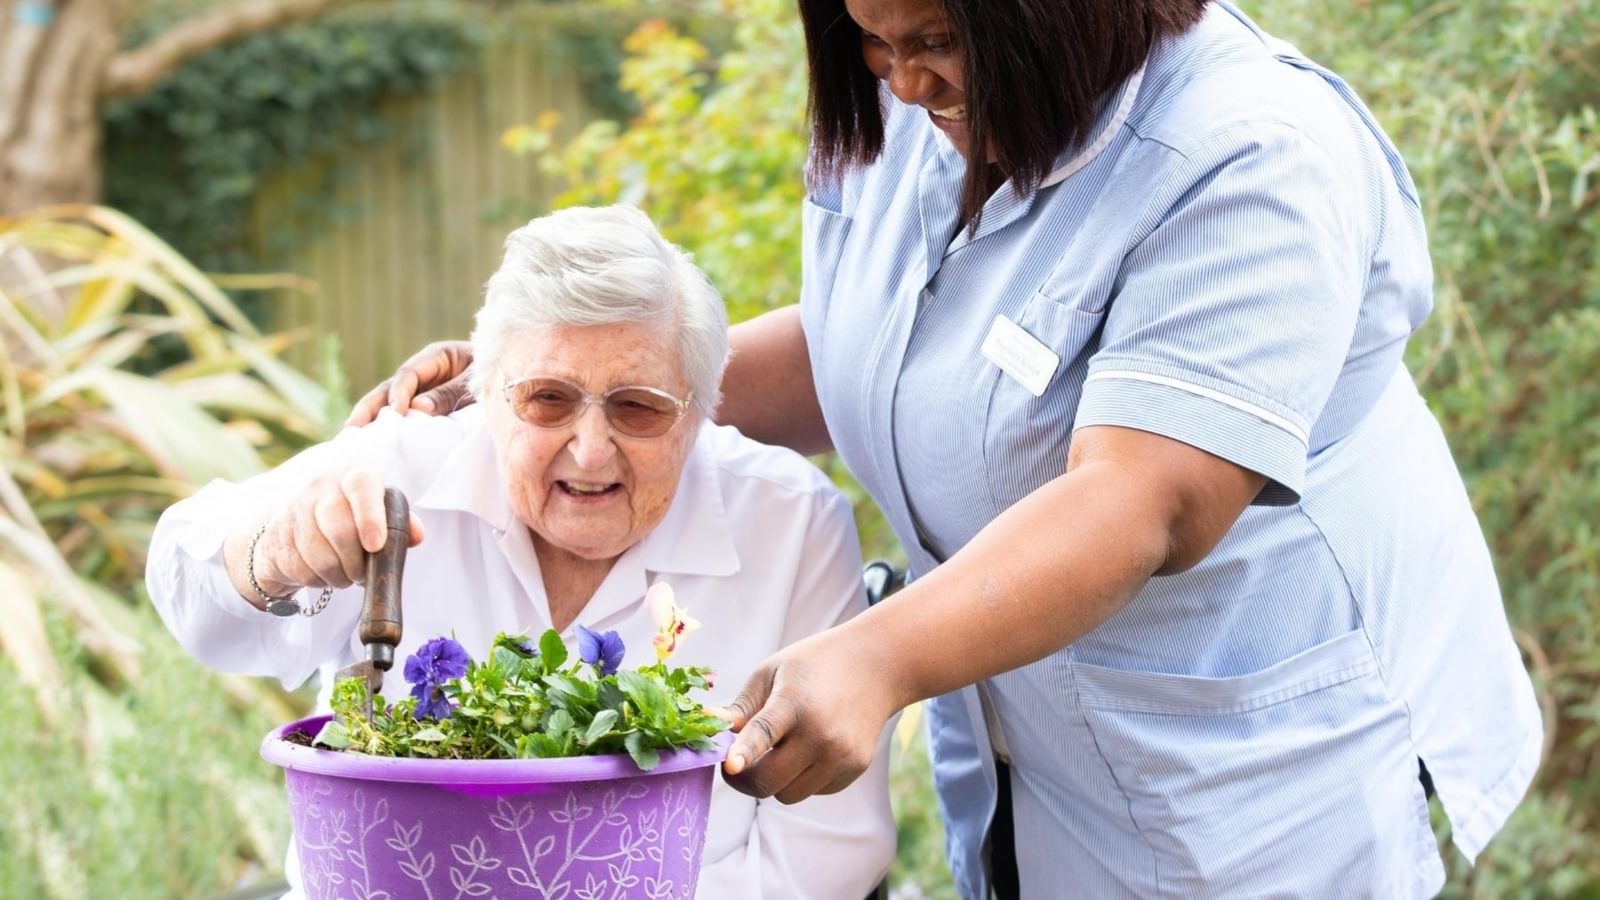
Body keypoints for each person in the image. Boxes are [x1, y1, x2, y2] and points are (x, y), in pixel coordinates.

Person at [348, 1, 1544, 896]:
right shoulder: (926, 100)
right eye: (870, 45)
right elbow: (879, 352)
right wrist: (552, 395)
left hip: (1254, 789)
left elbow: (1148, 497)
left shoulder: (1252, 159)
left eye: (930, 40)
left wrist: (872, 659)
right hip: (1037, 770)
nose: (904, 81)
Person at [145, 205, 895, 899]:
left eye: (638, 407)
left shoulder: (790, 522)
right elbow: (188, 584)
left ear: (700, 408)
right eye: (548, 399)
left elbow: (828, 849)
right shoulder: (400, 465)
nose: (592, 451)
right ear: (486, 391)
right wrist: (272, 554)